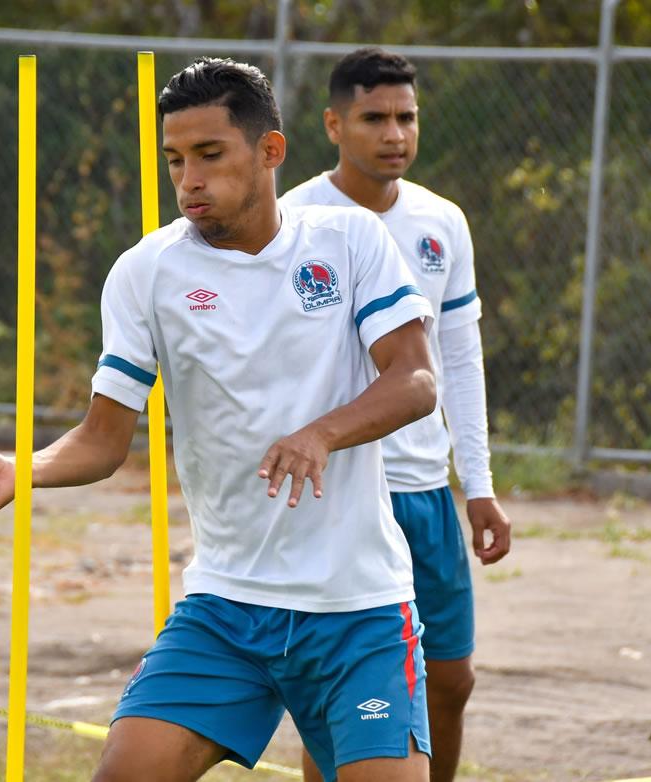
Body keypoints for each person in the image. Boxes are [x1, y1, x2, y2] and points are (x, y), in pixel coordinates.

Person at [0, 57, 440, 782]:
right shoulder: (146, 273)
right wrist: (24, 469)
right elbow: (103, 439)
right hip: (226, 605)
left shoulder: (350, 241)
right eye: (175, 160)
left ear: (270, 151)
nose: (189, 180)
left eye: (210, 155)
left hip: (356, 607)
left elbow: (416, 378)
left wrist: (321, 432)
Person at [281, 47, 511, 782]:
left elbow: (460, 361)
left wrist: (477, 483)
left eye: (406, 117)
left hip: (425, 494)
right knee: (339, 691)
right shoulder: (294, 220)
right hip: (342, 495)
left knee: (451, 679)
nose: (394, 134)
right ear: (333, 124)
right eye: (374, 118)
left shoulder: (444, 222)